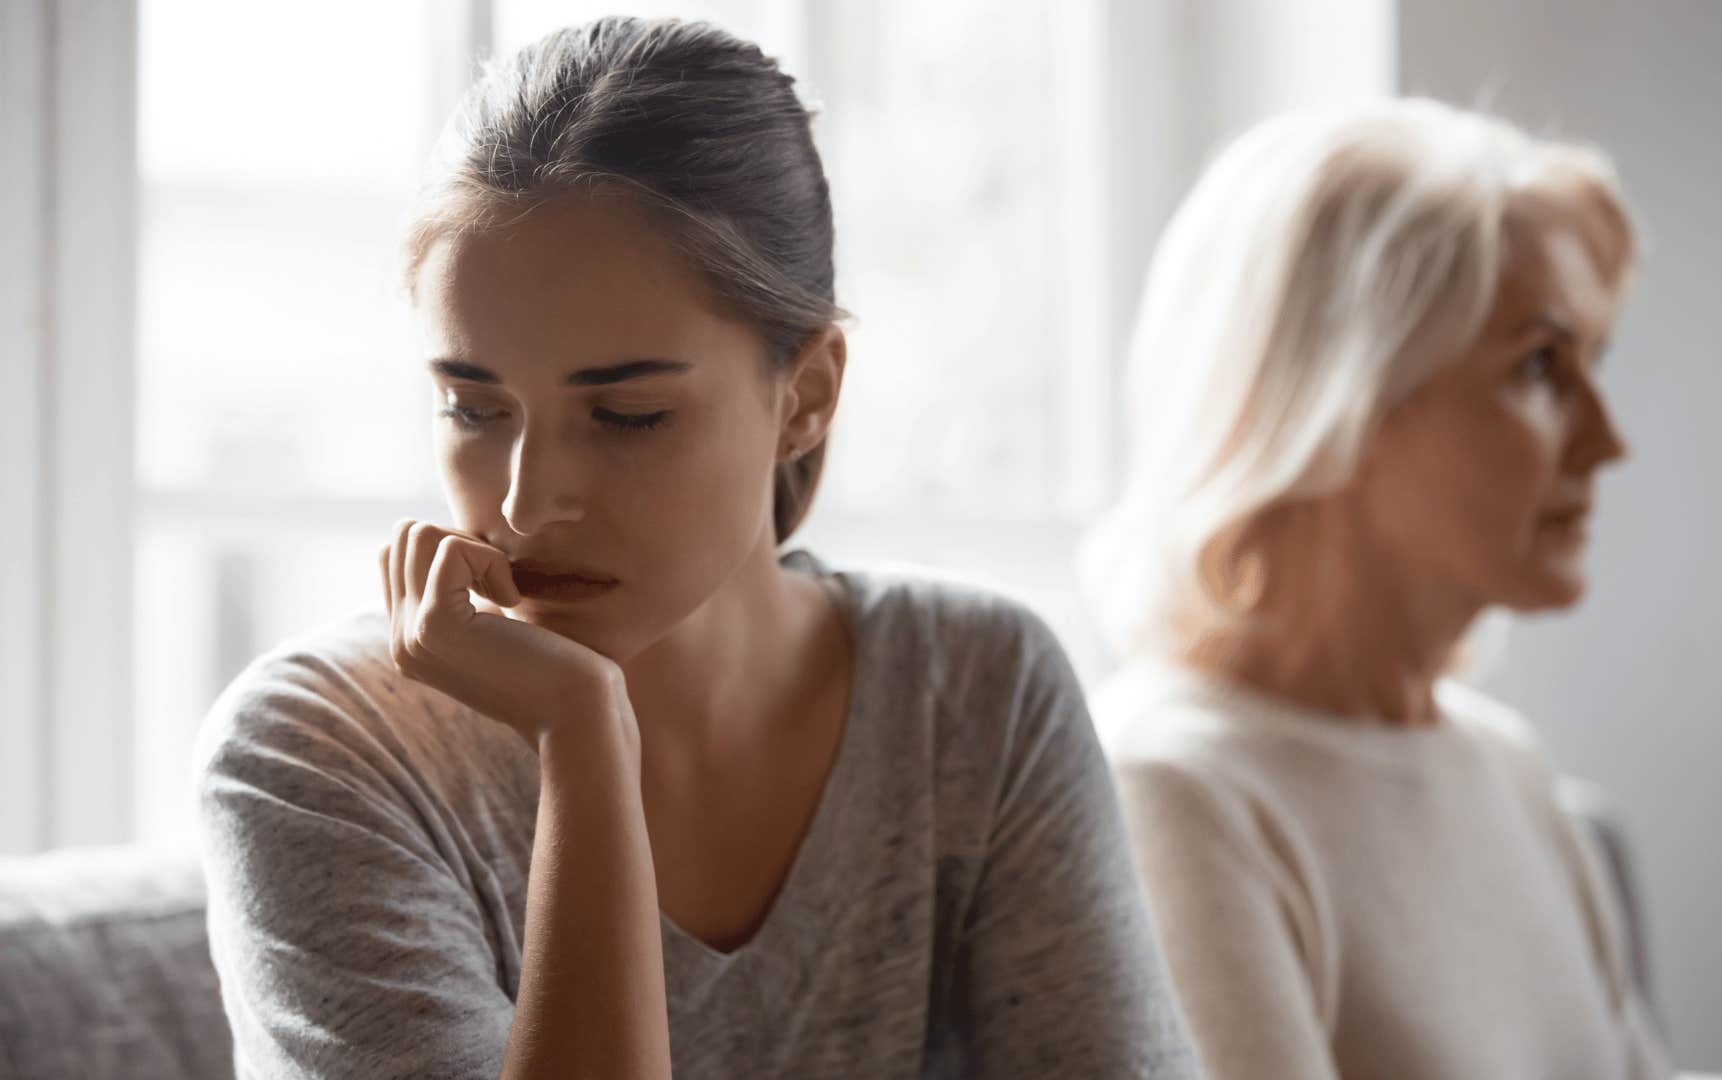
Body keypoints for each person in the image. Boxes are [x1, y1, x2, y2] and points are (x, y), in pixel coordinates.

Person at [195, 17, 1196, 1079]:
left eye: (626, 415)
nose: (529, 505)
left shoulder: (973, 692)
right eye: (474, 409)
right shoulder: (314, 755)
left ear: (805, 395)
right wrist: (585, 740)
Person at [1081, 98, 1671, 1079]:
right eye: (1539, 365)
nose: (1609, 442)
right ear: (1336, 401)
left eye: (1593, 363)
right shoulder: (1173, 792)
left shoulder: (1505, 766)